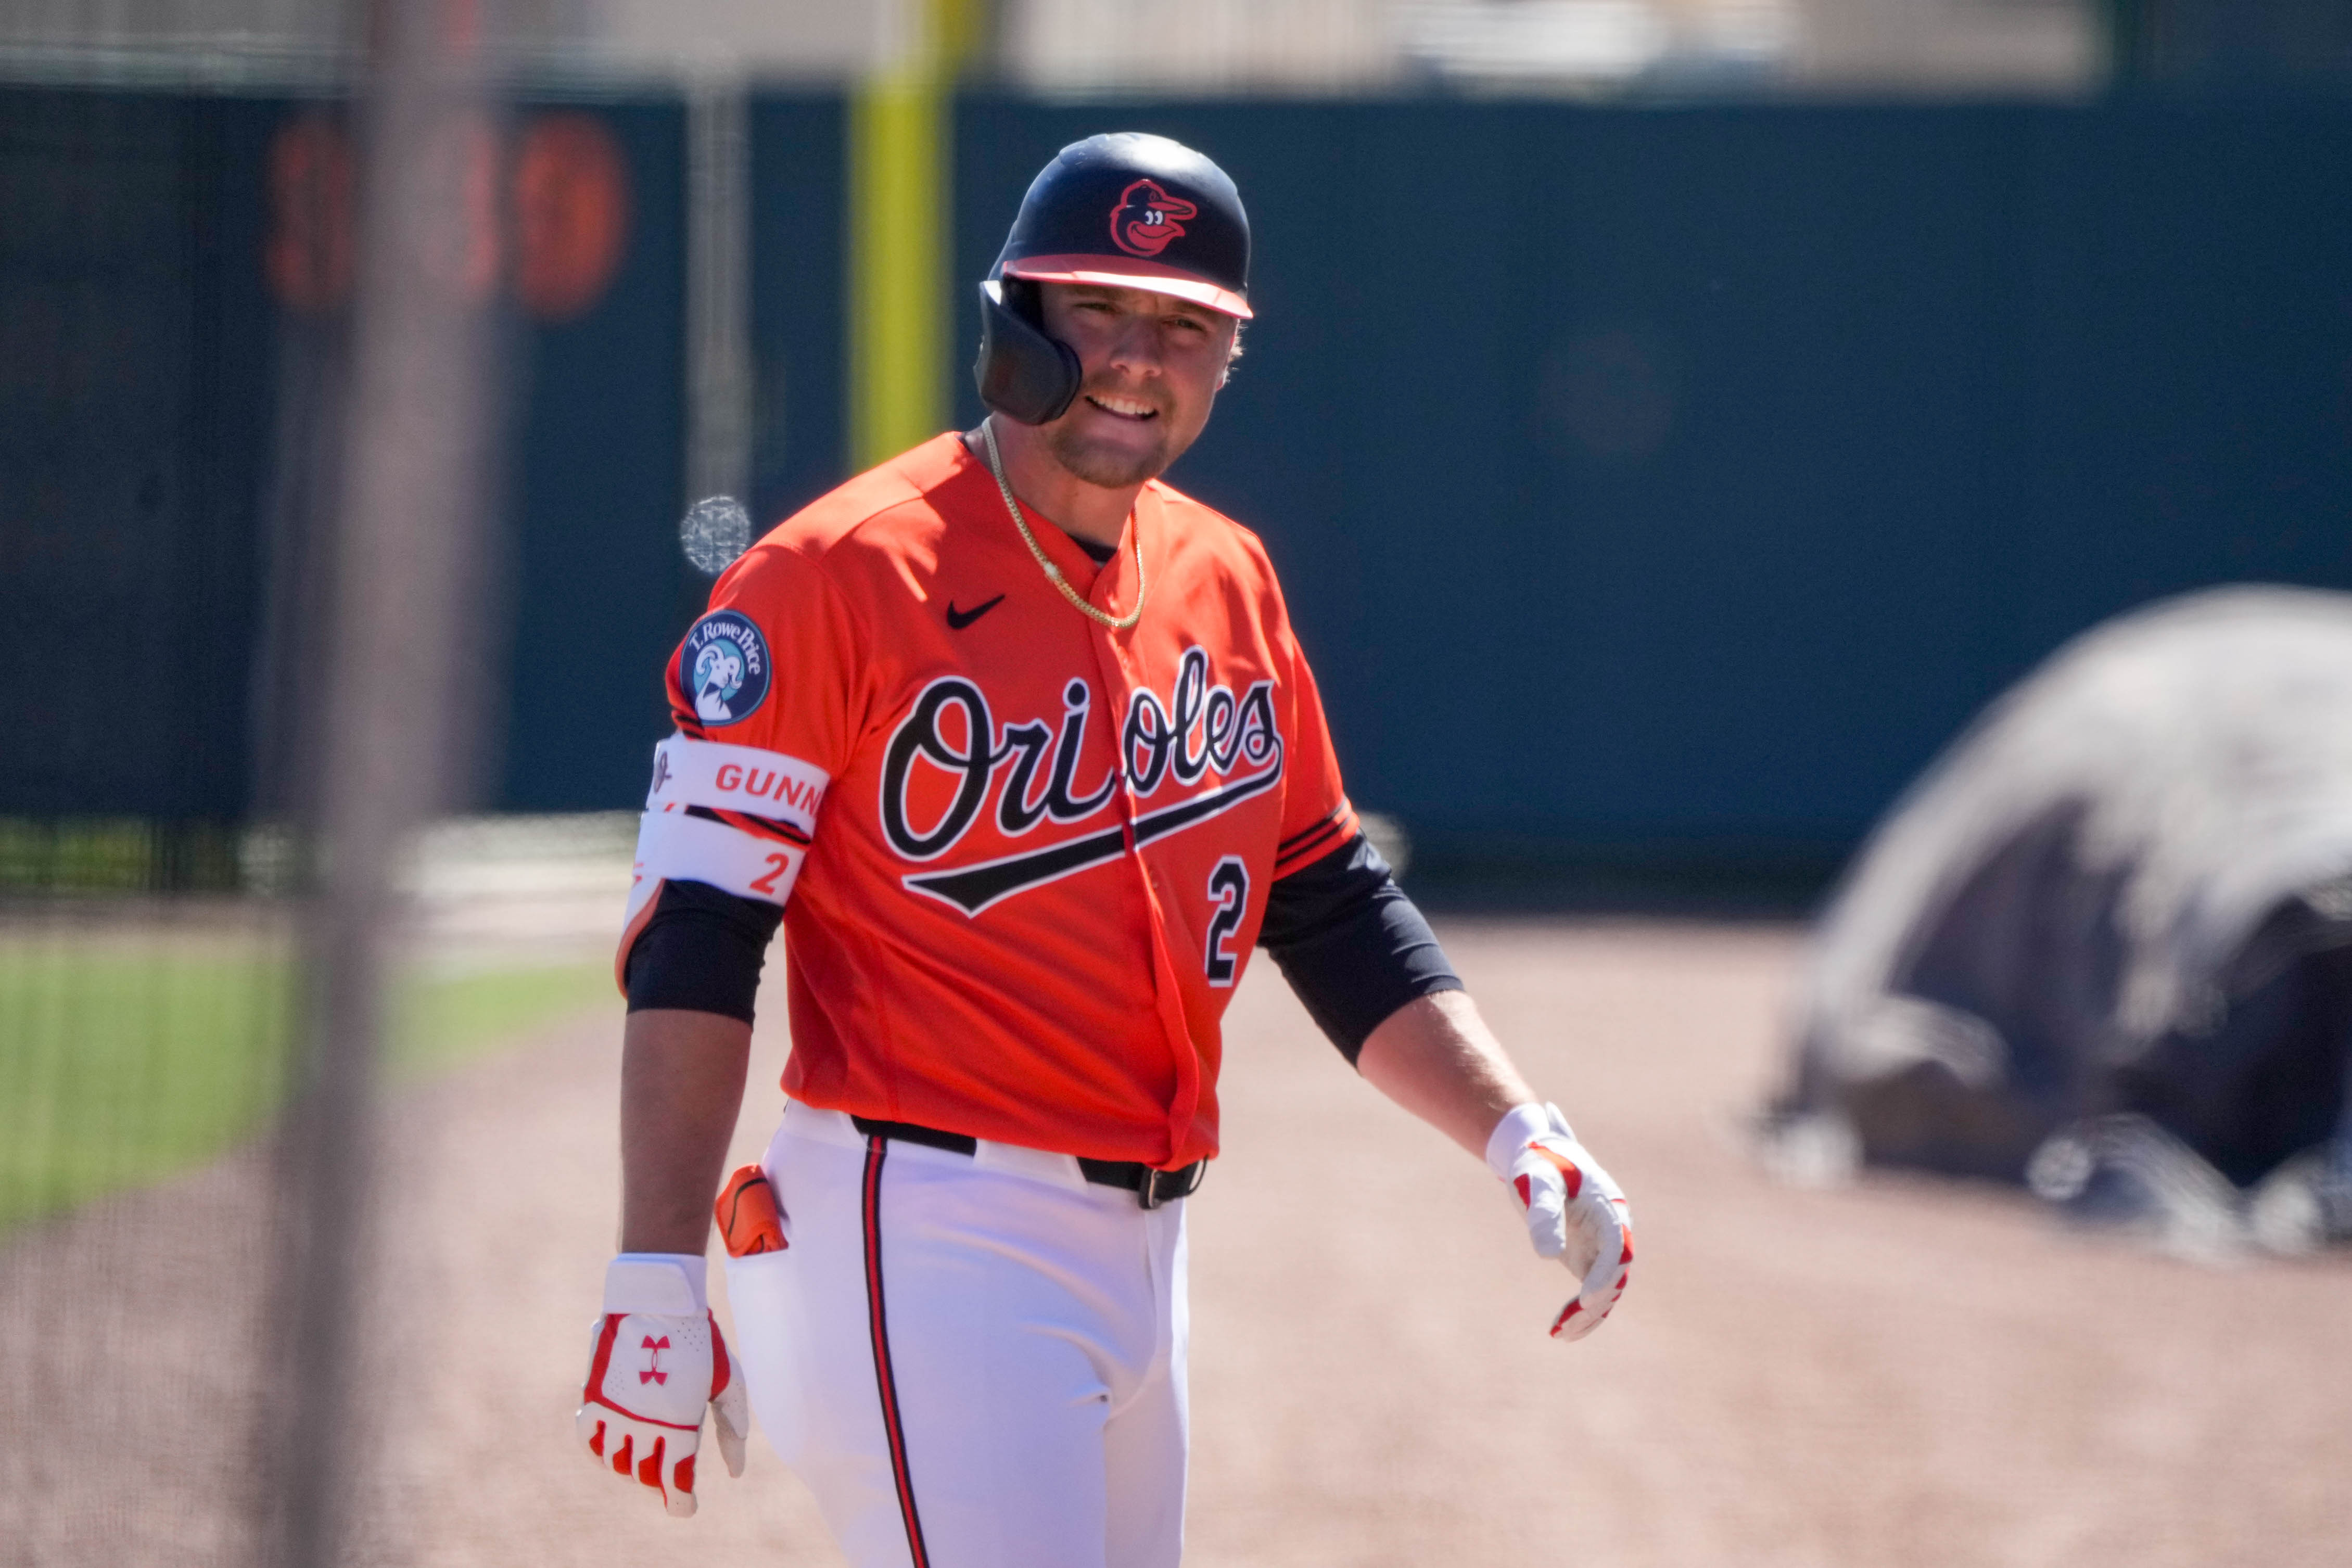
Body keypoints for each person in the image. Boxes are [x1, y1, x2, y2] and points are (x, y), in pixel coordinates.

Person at [574, 132, 1633, 1567]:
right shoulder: (833, 576)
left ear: (1227, 360)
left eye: (1185, 326)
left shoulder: (1227, 576)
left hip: (1150, 1245)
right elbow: (700, 927)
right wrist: (652, 1260)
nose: (1140, 358)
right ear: (1013, 319)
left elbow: (1321, 898)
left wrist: (1516, 1124)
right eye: (1100, 310)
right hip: (925, 1225)